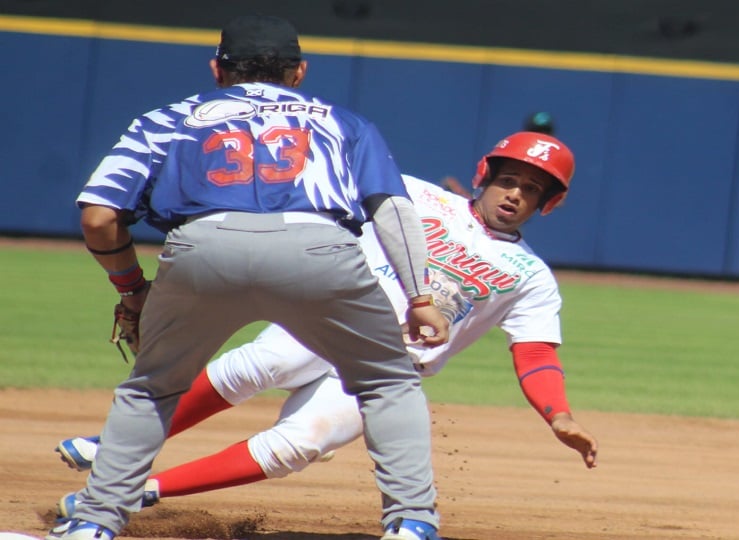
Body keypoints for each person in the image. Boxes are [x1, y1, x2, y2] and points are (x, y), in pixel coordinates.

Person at [56, 132, 599, 534]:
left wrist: (559, 414)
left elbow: (535, 352)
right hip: (330, 314)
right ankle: (112, 450)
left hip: (389, 369)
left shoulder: (530, 276)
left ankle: (137, 492)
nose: (515, 194)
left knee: (297, 446)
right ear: (486, 173)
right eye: (509, 179)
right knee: (262, 364)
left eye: (531, 189)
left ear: (548, 203)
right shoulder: (412, 193)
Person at [47, 13, 450, 540]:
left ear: (217, 69)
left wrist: (133, 290)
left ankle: (94, 523)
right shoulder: (343, 121)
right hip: (319, 249)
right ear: (299, 72)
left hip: (203, 249)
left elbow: (99, 216)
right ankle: (412, 523)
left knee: (151, 390)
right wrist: (419, 295)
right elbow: (392, 210)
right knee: (388, 380)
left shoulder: (169, 118)